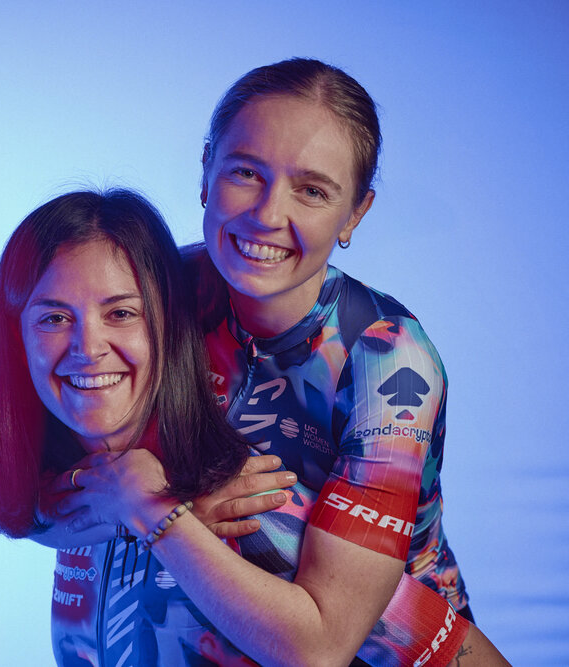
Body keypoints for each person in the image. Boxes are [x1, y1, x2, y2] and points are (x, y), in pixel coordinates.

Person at [50, 59, 508, 664]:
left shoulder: (387, 358)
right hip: (175, 637)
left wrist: (160, 509)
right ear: (206, 173)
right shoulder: (150, 296)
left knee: (265, 511)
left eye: (312, 191)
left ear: (355, 214)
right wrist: (161, 505)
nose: (267, 215)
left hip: (386, 646)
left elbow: (321, 649)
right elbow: (30, 504)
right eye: (246, 173)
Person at [0, 189, 505, 665]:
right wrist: (131, 506)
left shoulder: (250, 505)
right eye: (54, 318)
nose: (88, 348)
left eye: (122, 313)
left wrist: (159, 512)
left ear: (168, 327)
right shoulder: (82, 486)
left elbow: (435, 648)